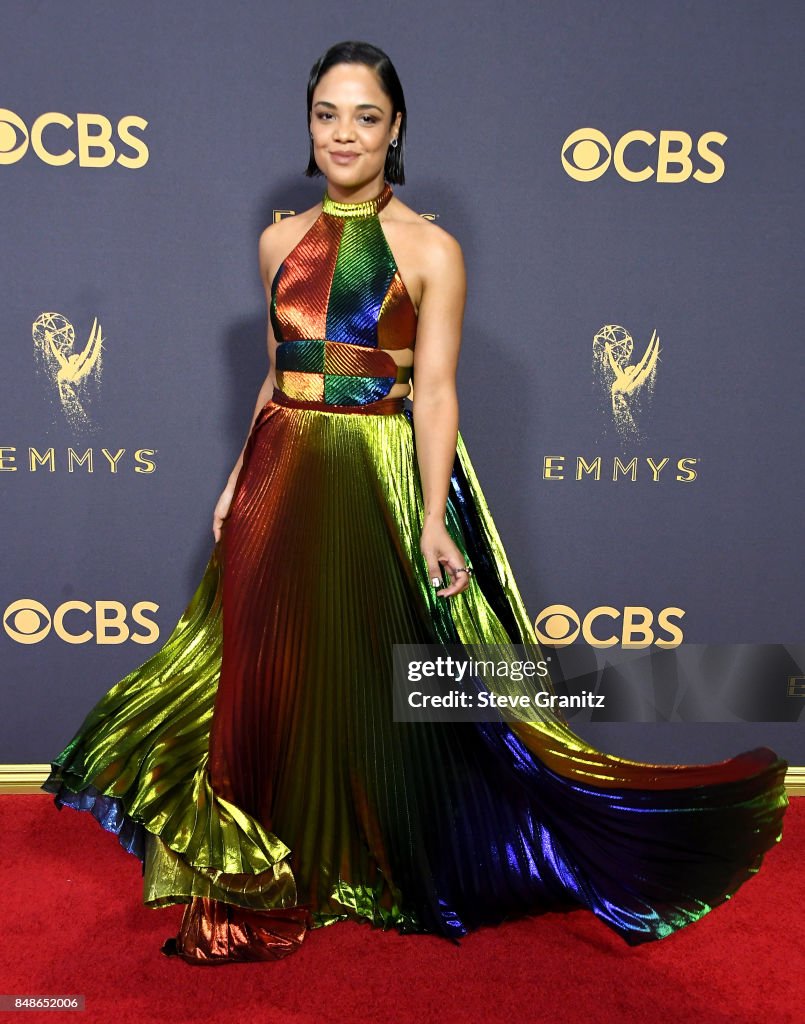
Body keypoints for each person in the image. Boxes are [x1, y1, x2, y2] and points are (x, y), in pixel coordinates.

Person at [41, 40, 789, 966]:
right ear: (308, 127)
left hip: (378, 471)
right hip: (281, 473)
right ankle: (268, 871)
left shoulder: (432, 249)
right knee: (268, 677)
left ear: (395, 129)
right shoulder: (278, 240)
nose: (343, 133)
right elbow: (279, 374)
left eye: (364, 116)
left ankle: (390, 854)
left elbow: (432, 392)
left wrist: (433, 518)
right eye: (326, 114)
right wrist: (237, 479)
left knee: (393, 676)